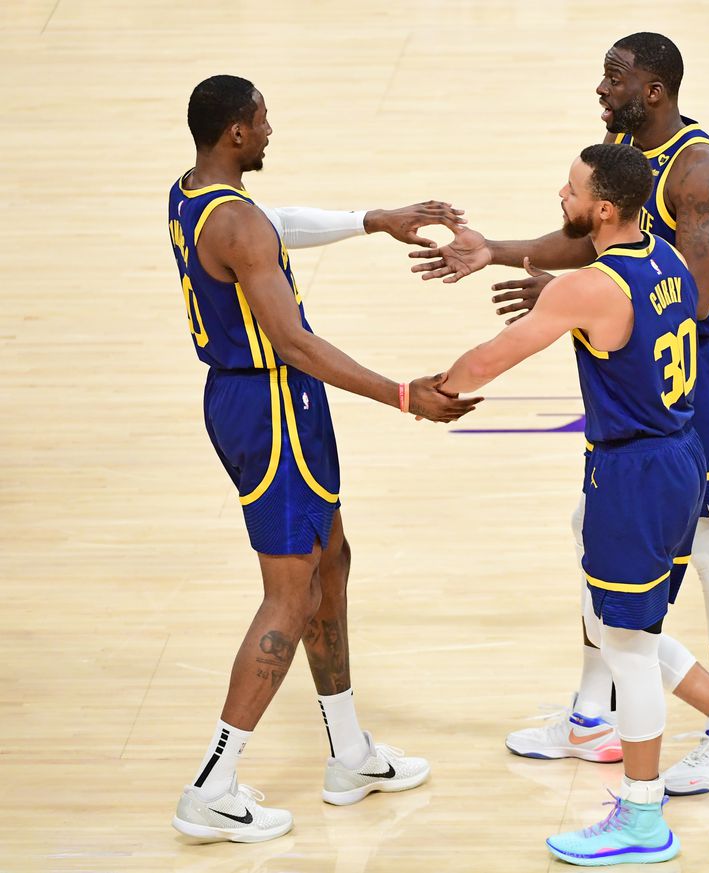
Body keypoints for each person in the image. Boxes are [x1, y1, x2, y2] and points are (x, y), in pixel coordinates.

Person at [435, 142, 709, 865]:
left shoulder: (589, 287)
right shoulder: (669, 260)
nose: (560, 194)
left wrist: (426, 392)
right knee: (622, 627)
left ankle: (643, 815)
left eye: (570, 188)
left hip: (632, 472)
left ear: (603, 207)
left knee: (627, 647)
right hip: (680, 458)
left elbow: (492, 357)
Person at [412, 31, 709, 796]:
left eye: (614, 79)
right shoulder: (620, 152)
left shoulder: (702, 172)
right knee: (592, 532)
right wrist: (497, 251)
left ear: (655, 90)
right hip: (638, 347)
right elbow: (591, 236)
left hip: (699, 359)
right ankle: (592, 712)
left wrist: (576, 305)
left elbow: (687, 300)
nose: (602, 91)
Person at [166, 74, 481, 843]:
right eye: (264, 120)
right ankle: (212, 782)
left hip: (263, 401)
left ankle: (348, 752)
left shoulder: (197, 194)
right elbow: (295, 341)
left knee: (331, 560)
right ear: (237, 132)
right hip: (272, 403)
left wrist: (374, 219)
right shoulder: (236, 223)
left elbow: (275, 229)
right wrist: (402, 394)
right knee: (290, 592)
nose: (272, 130)